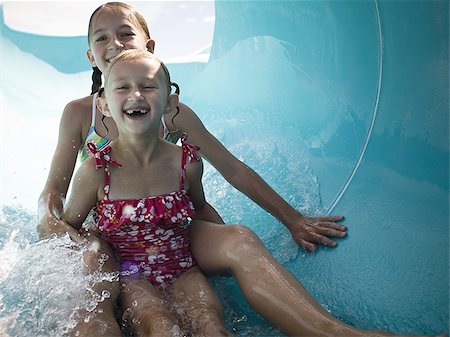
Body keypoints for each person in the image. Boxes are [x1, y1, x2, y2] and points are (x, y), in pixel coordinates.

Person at [36, 3, 400, 337]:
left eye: (125, 33)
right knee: (91, 266)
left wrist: (292, 219)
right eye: (102, 37)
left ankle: (331, 331)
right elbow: (54, 191)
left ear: (149, 45)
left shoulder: (172, 114)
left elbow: (232, 170)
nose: (114, 42)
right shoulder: (80, 114)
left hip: (169, 226)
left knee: (240, 238)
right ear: (90, 55)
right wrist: (56, 227)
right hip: (113, 230)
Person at [51, 50, 232, 336]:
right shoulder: (96, 171)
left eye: (148, 86)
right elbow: (73, 226)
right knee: (160, 325)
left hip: (183, 268)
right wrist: (92, 265)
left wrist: (229, 249)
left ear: (170, 102)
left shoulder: (187, 163)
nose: (136, 94)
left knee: (212, 326)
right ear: (104, 105)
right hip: (131, 275)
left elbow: (201, 208)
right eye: (122, 87)